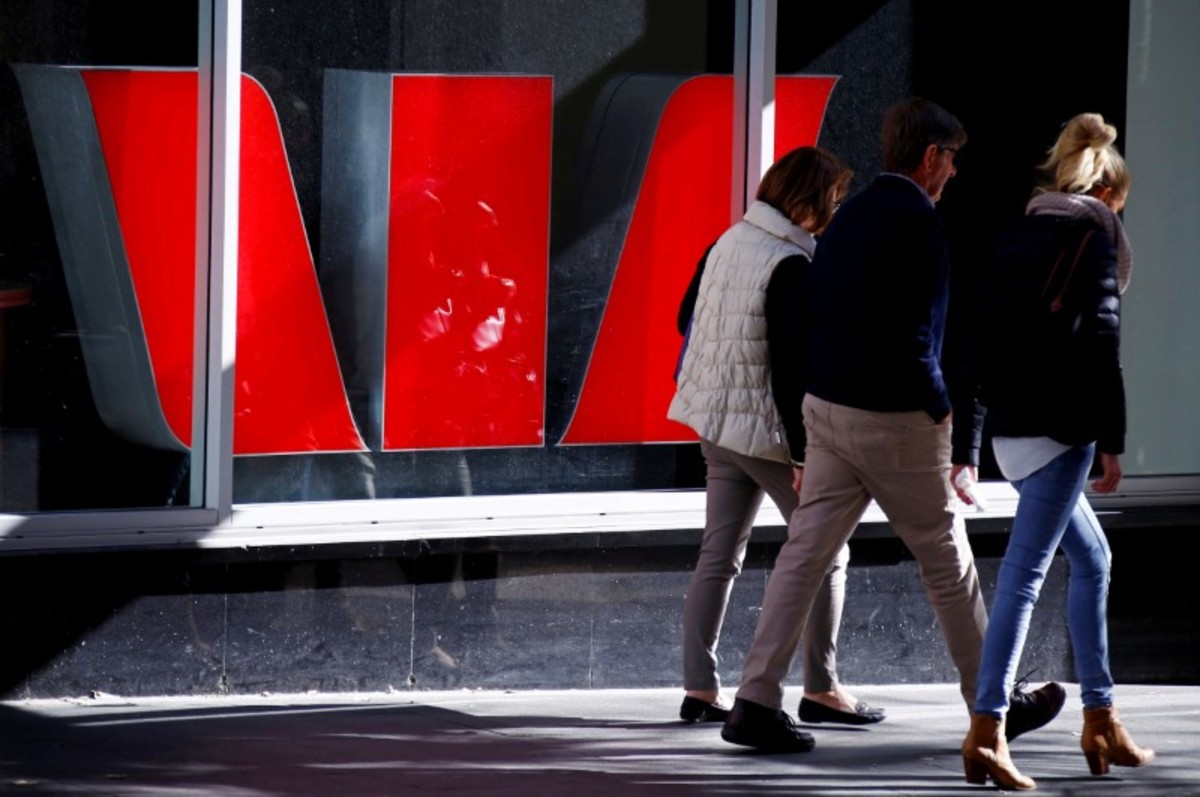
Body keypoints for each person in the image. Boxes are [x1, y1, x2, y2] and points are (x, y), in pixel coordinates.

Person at [719, 97, 1064, 754]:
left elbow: (806, 316)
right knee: (947, 560)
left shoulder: (847, 217)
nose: (954, 172)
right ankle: (994, 701)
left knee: (803, 556)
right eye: (952, 159)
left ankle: (754, 701)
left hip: (828, 411)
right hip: (897, 421)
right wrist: (940, 406)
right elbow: (918, 334)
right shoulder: (919, 223)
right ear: (930, 157)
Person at [954, 113, 1155, 790]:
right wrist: (1114, 444)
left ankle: (1101, 718)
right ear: (1108, 195)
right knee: (1024, 578)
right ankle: (988, 727)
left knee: (1093, 557)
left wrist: (967, 446)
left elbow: (976, 342)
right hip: (1062, 435)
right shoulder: (1093, 241)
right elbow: (1102, 348)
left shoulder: (1014, 233)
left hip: (1009, 433)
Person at [668, 146, 885, 728]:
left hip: (717, 423)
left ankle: (699, 688)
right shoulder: (790, 264)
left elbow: (686, 319)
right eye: (832, 200)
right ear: (808, 202)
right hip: (767, 433)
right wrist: (802, 455)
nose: (834, 213)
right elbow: (792, 370)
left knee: (719, 555)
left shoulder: (727, 241)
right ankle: (822, 688)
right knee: (827, 550)